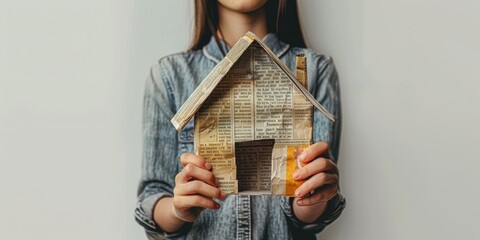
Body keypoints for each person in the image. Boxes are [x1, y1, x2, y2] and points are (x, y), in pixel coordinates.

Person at [135, 0, 346, 239]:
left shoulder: (316, 70)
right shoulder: (169, 76)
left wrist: (314, 197)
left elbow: (308, 216)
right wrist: (177, 209)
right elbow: (152, 197)